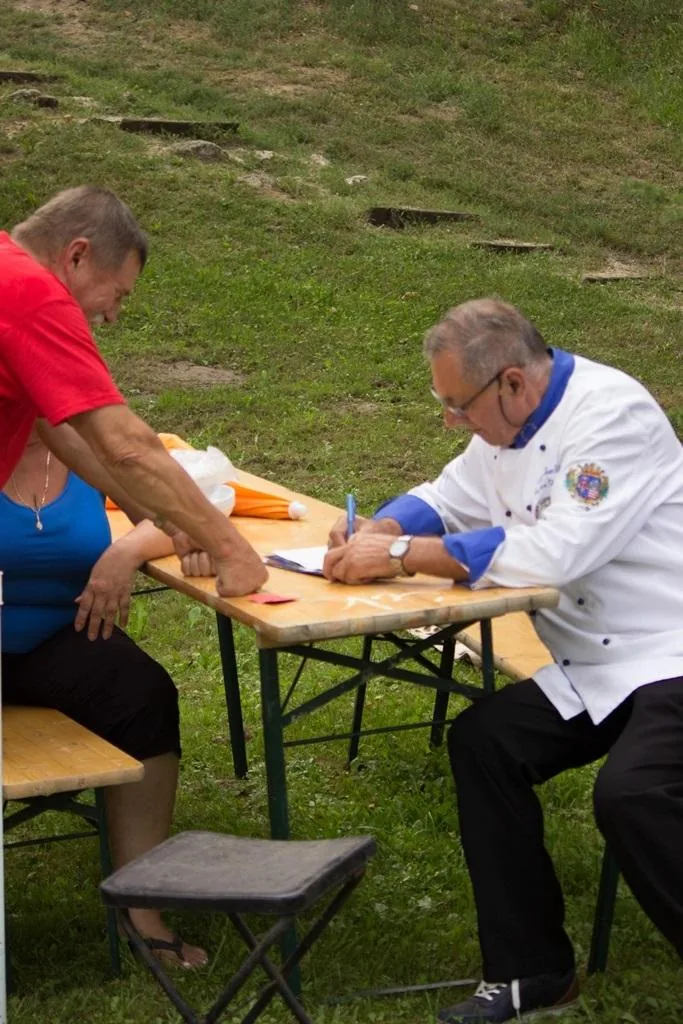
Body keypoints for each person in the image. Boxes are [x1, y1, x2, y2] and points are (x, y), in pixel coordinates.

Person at [324, 298, 683, 1023]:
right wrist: (383, 522)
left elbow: (553, 554)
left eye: (456, 407)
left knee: (631, 793)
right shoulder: (505, 421)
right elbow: (449, 496)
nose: (451, 422)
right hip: (592, 667)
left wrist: (395, 555)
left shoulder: (610, 417)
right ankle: (531, 973)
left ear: (511, 382)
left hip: (669, 650)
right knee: (485, 742)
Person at [1, 427, 213, 968]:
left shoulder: (83, 445)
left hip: (61, 634)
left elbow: (185, 505)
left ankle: (140, 909)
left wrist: (127, 551)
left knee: (143, 694)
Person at [0, 185, 267, 601]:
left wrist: (175, 525)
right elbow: (125, 445)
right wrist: (231, 549)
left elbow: (59, 432)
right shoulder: (32, 294)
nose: (110, 315)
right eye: (117, 294)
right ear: (76, 256)